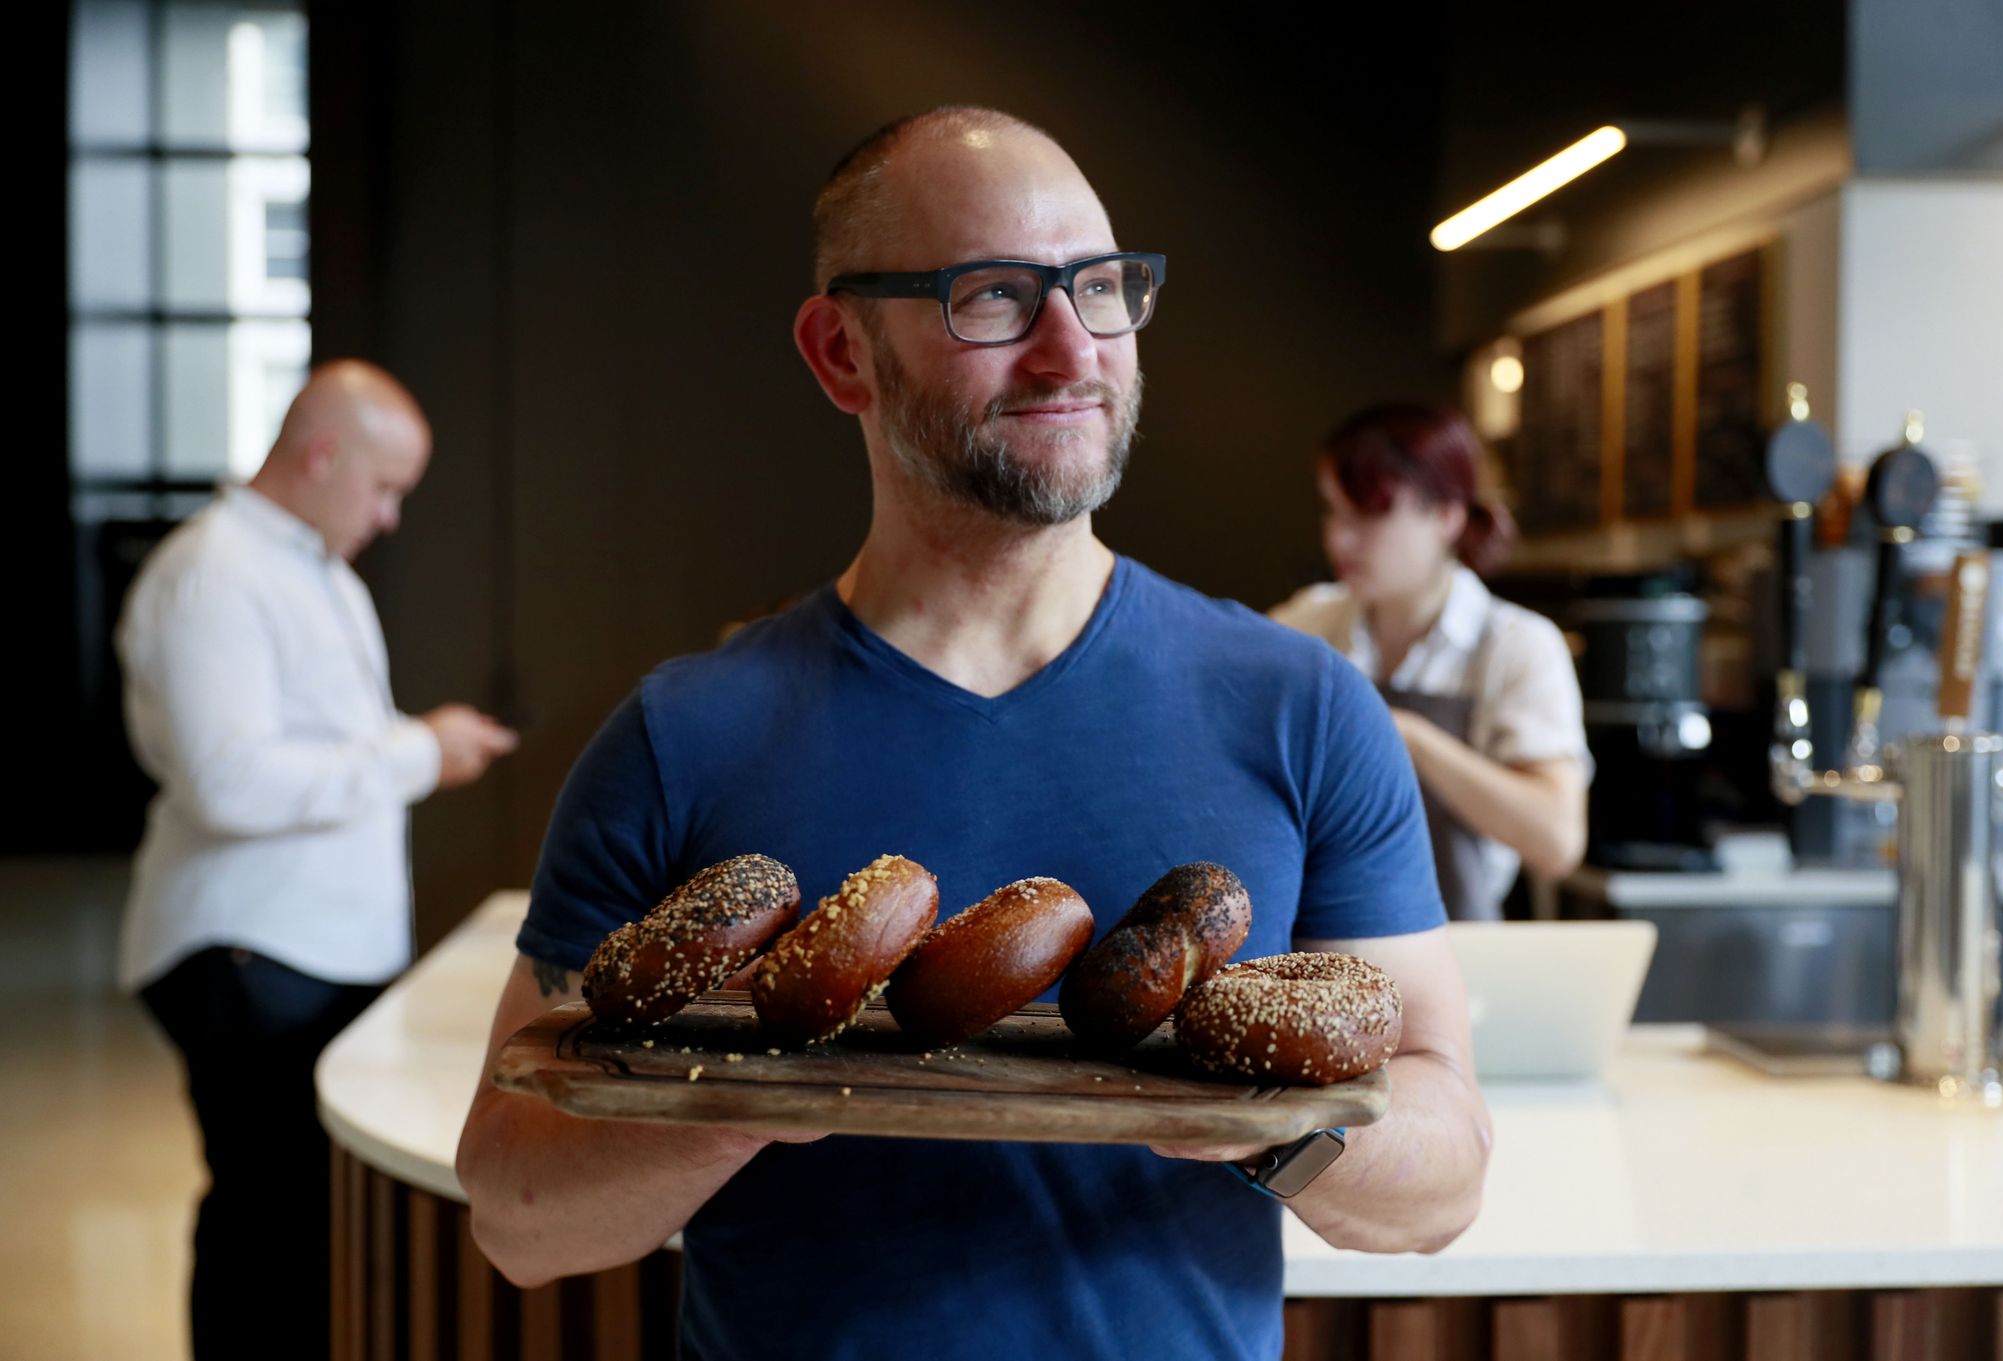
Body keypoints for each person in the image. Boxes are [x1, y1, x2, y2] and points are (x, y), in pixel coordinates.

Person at [457, 108, 1490, 1361]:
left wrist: (1261, 1119)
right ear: (841, 350)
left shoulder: (1301, 706)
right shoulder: (685, 734)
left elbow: (1445, 1181)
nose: (1073, 349)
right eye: (992, 296)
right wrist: (748, 1091)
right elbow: (517, 1209)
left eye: (1101, 289)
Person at [117, 359, 519, 1358]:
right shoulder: (217, 570)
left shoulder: (310, 569)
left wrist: (417, 739)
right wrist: (418, 749)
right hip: (247, 946)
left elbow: (322, 736)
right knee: (268, 1216)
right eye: (384, 488)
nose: (389, 517)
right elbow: (231, 781)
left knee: (297, 1218)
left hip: (302, 948)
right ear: (323, 451)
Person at [1271, 402, 1590, 920]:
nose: (1339, 538)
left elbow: (1556, 840)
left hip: (1460, 952)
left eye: (1369, 514)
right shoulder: (1307, 623)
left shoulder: (1514, 645)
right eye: (1334, 511)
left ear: (1447, 515)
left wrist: (1407, 736)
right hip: (1316, 952)